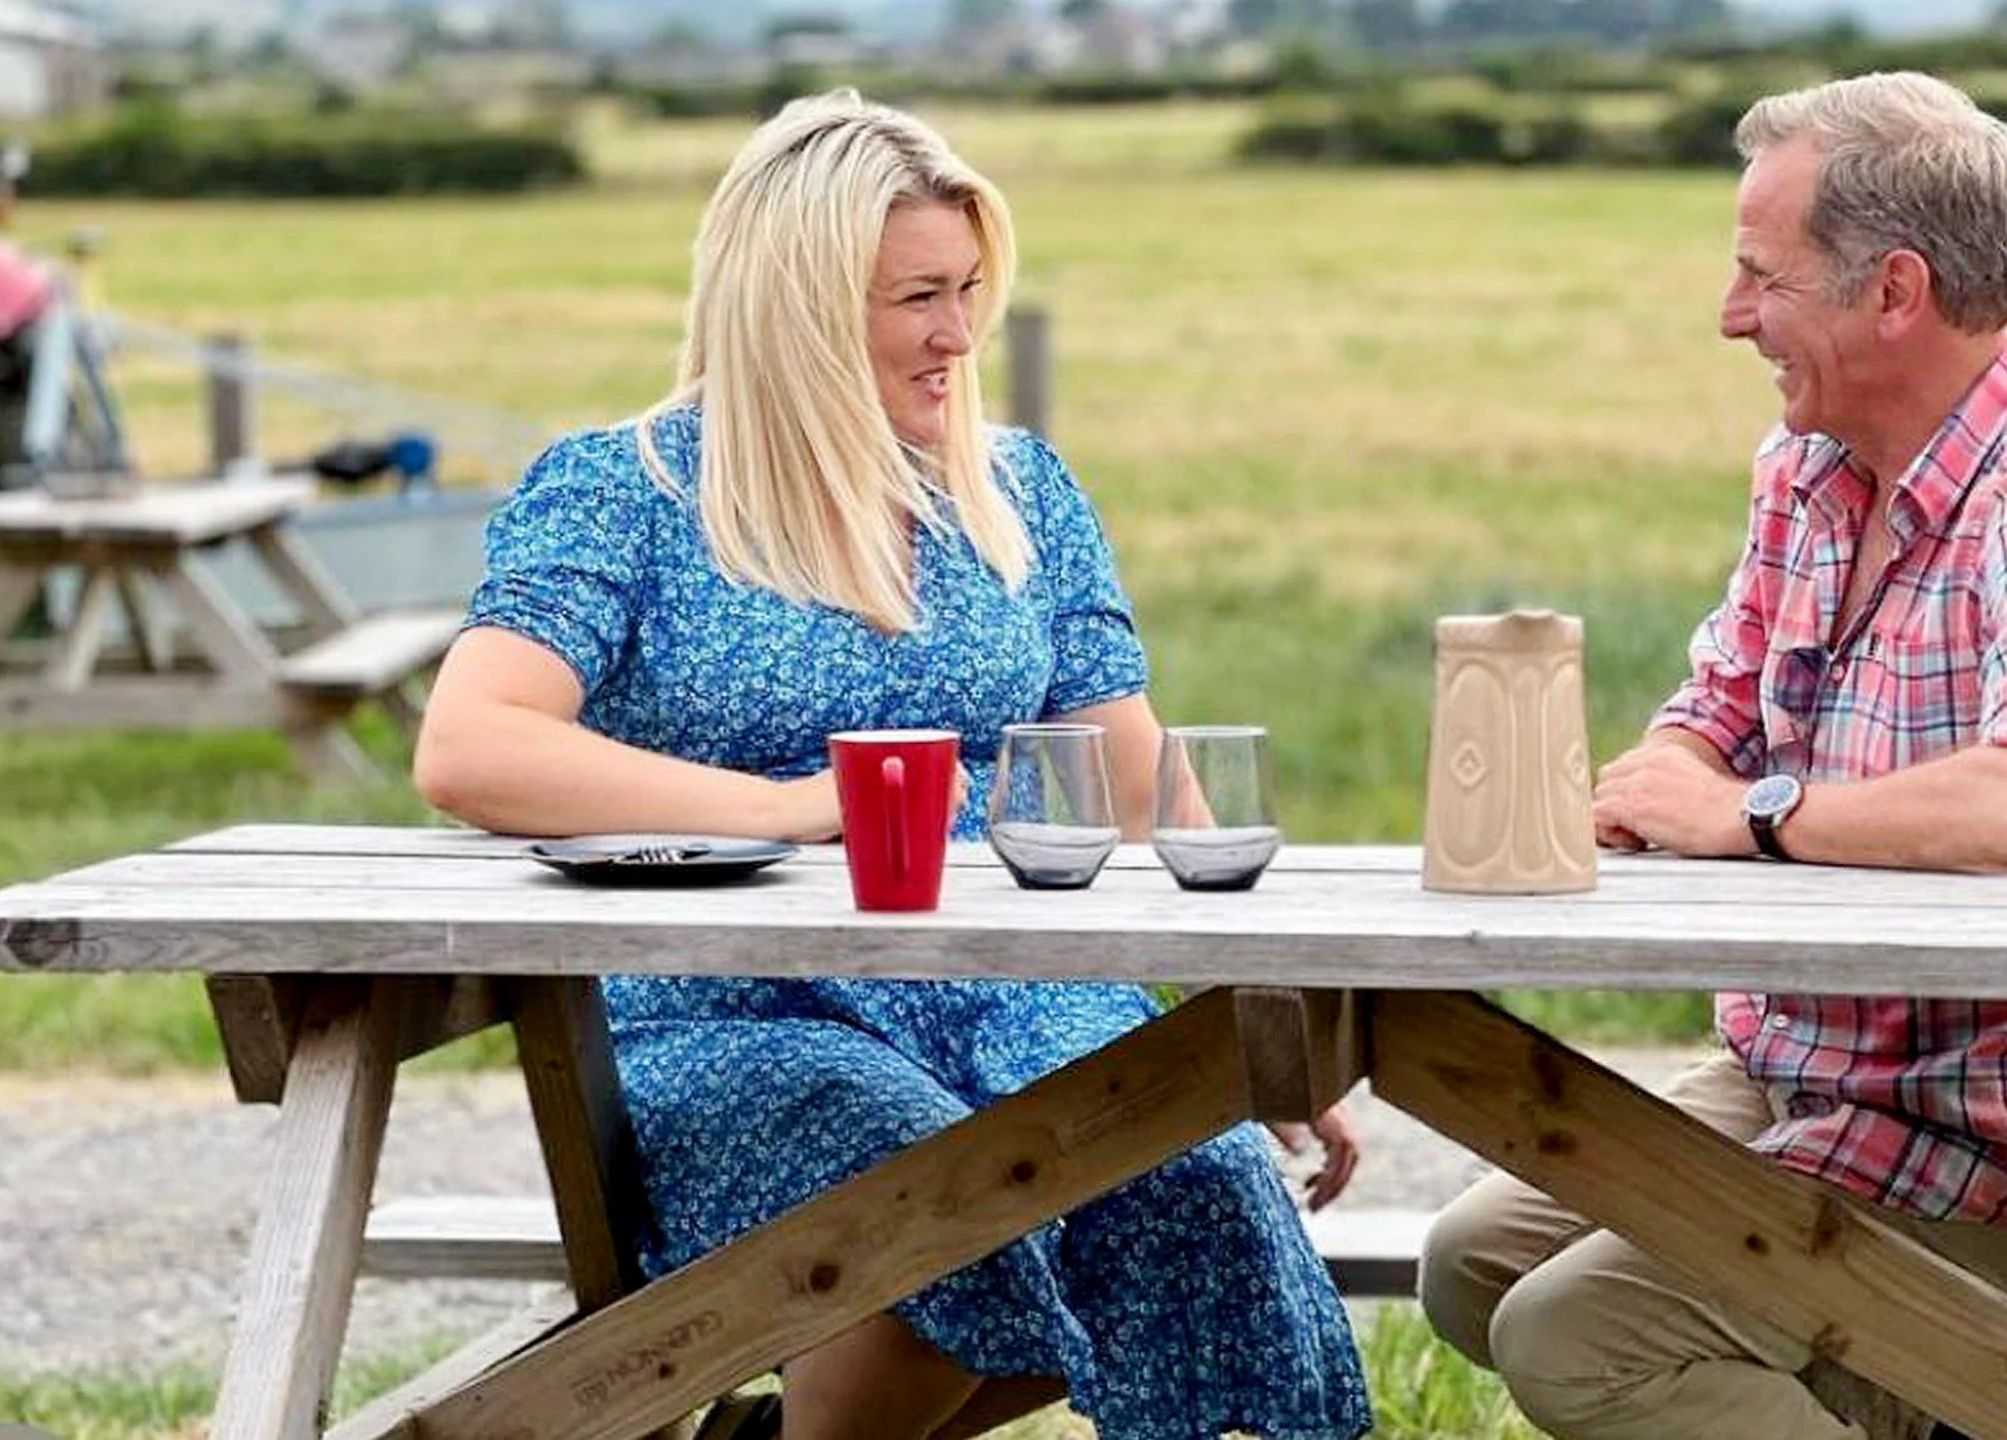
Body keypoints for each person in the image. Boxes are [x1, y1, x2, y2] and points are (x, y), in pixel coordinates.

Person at [414, 91, 1371, 1440]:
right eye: (917, 295)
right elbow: (471, 746)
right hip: (721, 1015)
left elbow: (1145, 781)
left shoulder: (1017, 488)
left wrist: (1263, 1026)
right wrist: (789, 813)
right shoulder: (627, 489)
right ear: (798, 305)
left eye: (971, 288)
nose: (957, 333)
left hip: (1008, 994)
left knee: (1198, 1191)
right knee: (926, 1196)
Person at [1416, 72, 2007, 1440]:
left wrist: (1749, 817)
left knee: (1578, 1335)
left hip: (1991, 1142)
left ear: (1893, 292)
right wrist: (1650, 783)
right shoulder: (1811, 469)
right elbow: (1713, 707)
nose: (1728, 316)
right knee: (1471, 1264)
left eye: (1763, 279)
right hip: (1804, 1078)